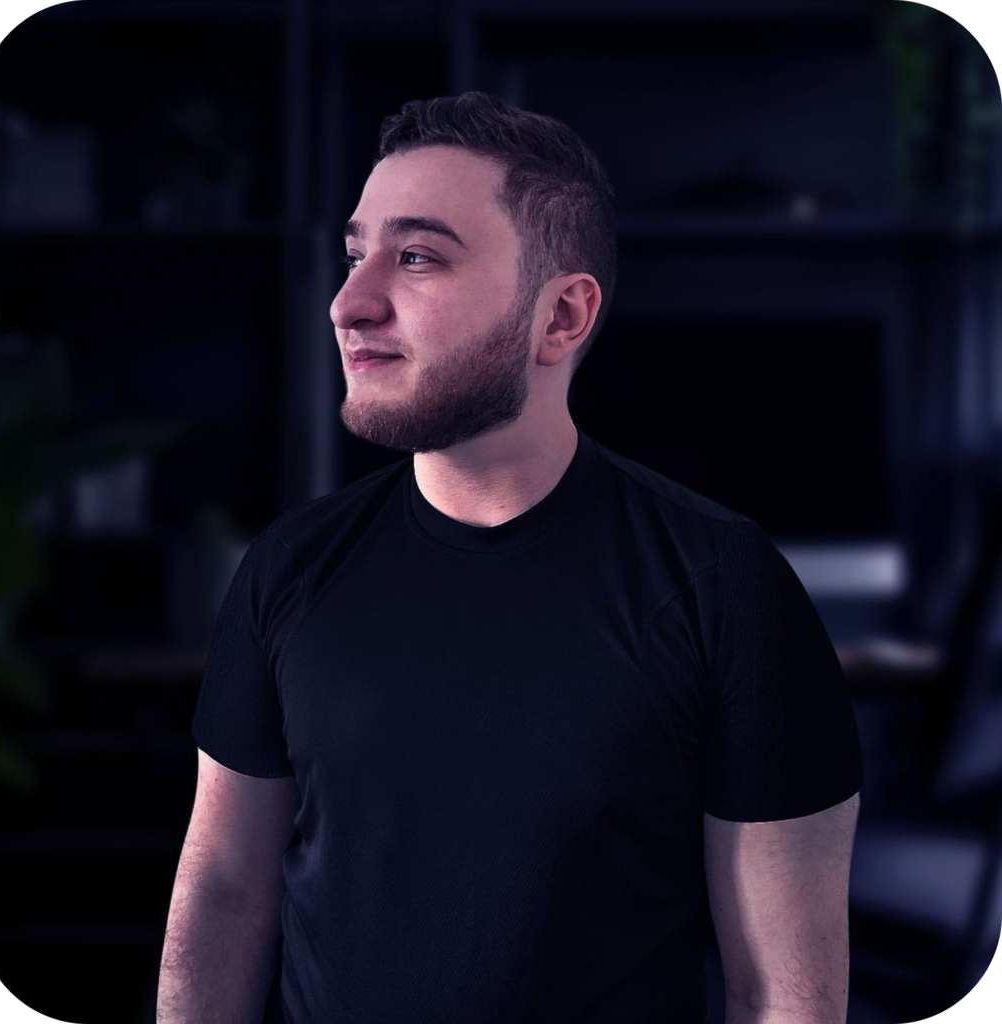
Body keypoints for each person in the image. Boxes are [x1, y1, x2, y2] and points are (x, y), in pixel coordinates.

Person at [158, 91, 863, 1023]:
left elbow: (785, 995)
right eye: (356, 255)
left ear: (561, 316)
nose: (348, 304)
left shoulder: (725, 587)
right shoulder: (287, 568)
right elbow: (222, 893)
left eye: (416, 257)